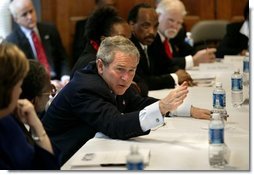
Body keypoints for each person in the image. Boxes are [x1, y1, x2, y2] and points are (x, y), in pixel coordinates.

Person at [41, 36, 211, 165]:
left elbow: (136, 102)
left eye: (132, 70)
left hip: (90, 147)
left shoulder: (112, 79)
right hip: (62, 159)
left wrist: (184, 109)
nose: (126, 78)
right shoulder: (85, 88)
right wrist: (160, 108)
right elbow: (115, 125)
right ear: (101, 65)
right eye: (120, 69)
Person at [0, 42, 60, 169]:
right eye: (18, 84)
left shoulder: (7, 120)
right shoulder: (7, 123)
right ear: (7, 88)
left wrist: (36, 126)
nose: (20, 91)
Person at [128, 3, 193, 90]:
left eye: (155, 26)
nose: (152, 32)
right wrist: (175, 77)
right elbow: (142, 81)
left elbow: (166, 64)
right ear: (131, 25)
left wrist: (179, 72)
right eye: (146, 26)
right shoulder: (127, 46)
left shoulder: (154, 39)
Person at [6, 0, 70, 83]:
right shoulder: (12, 42)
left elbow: (63, 58)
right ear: (16, 19)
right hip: (35, 89)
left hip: (58, 81)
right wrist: (47, 85)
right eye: (24, 14)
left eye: (31, 11)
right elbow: (20, 75)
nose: (30, 17)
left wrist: (65, 77)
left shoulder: (50, 29)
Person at [155, 0, 216, 69]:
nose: (174, 26)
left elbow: (189, 51)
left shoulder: (176, 35)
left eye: (179, 23)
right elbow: (160, 63)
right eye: (171, 20)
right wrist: (193, 61)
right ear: (158, 16)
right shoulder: (150, 37)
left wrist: (205, 54)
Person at [72, 0, 117, 66]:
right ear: (97, 6)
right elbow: (78, 51)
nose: (111, 8)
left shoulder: (118, 24)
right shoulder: (83, 25)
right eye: (107, 6)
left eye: (112, 5)